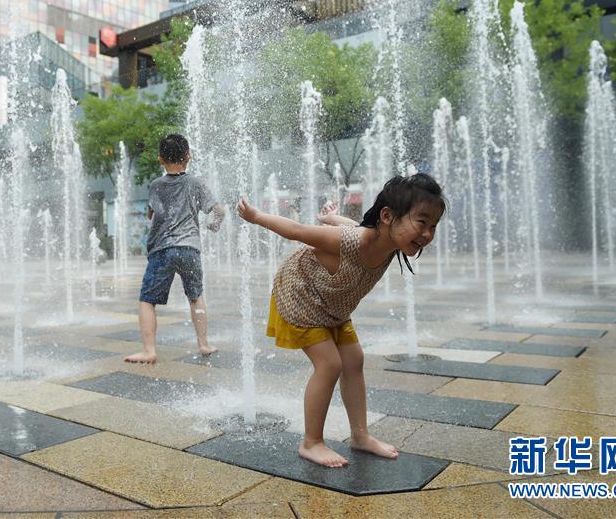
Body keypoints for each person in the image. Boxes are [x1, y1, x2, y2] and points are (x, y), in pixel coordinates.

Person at [237, 173, 445, 468]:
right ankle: (311, 442)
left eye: (433, 226)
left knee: (353, 359)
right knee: (330, 364)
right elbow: (296, 230)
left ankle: (360, 436)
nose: (427, 233)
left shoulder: (387, 241)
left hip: (333, 304)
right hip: (302, 294)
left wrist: (334, 217)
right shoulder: (351, 242)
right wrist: (256, 216)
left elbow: (355, 225)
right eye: (421, 222)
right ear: (388, 216)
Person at [124, 134, 225, 364]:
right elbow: (219, 210)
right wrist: (214, 226)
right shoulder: (196, 183)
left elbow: (151, 214)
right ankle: (204, 344)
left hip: (162, 249)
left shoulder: (156, 185)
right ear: (188, 156)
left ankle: (149, 350)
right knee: (196, 296)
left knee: (147, 300)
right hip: (189, 247)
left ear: (160, 159)